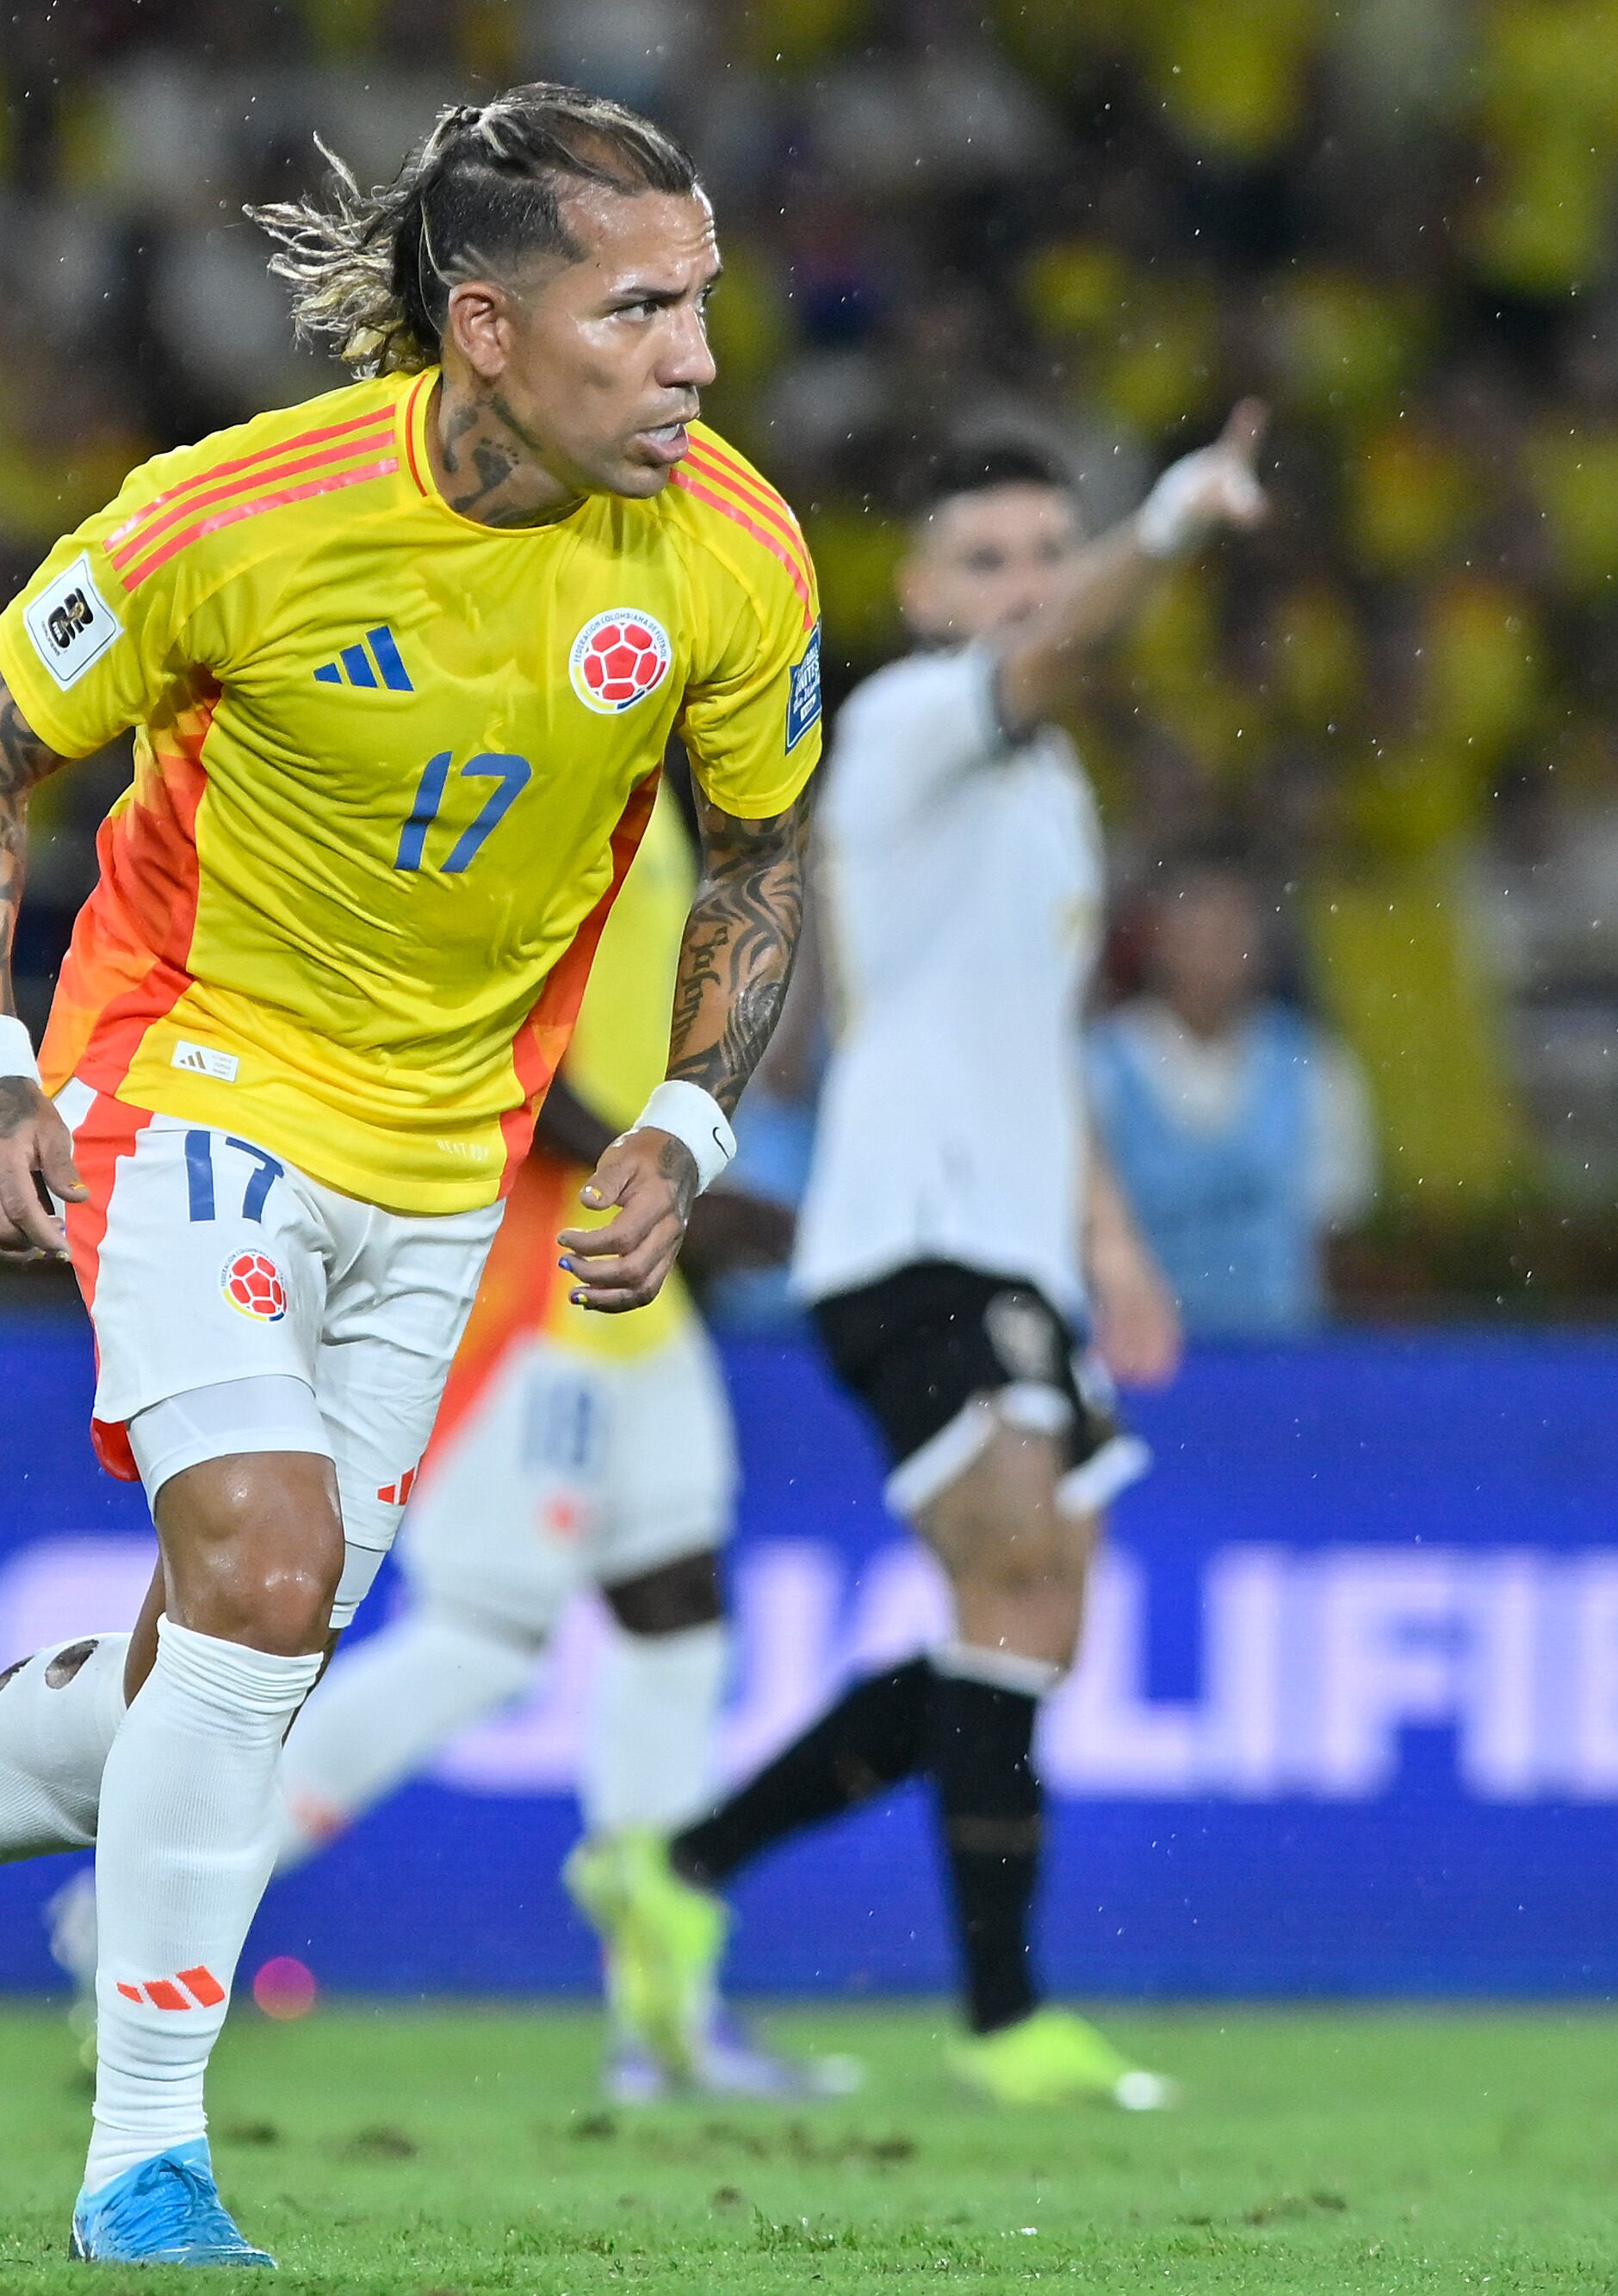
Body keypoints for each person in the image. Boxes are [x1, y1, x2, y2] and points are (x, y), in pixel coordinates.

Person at [0, 85, 823, 2267]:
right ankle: (148, 2153)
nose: (698, 357)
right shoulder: (230, 517)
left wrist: (688, 1124)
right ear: (487, 328)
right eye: (645, 310)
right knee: (259, 1564)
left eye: (703, 304)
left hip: (446, 1160)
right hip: (189, 1078)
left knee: (235, 1647)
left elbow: (761, 854)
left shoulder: (731, 555)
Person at [578, 415, 1267, 2110]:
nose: (1025, 589)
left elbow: (1029, 1037)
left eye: (1048, 552)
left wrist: (1105, 1235)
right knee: (1016, 1580)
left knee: (1022, 1617)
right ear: (917, 589)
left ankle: (681, 1866)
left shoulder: (1047, 782)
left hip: (1012, 1238)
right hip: (910, 1235)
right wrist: (1166, 515)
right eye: (989, 560)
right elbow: (1058, 653)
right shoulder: (896, 721)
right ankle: (1000, 2015)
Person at [44, 781, 846, 2105]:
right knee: (482, 1633)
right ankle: (140, 1906)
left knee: (678, 1607)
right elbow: (491, 1047)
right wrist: (676, 1176)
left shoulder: (657, 799)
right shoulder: (543, 764)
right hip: (529, 1280)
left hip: (631, 1294)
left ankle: (664, 2012)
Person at [1085, 852, 1375, 1338]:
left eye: (1229, 937)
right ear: (1158, 942)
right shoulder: (1099, 1068)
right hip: (1141, 1359)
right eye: (1194, 936)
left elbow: (1334, 1233)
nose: (1211, 959)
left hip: (1278, 1358)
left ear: (1262, 949)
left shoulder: (1313, 1067)